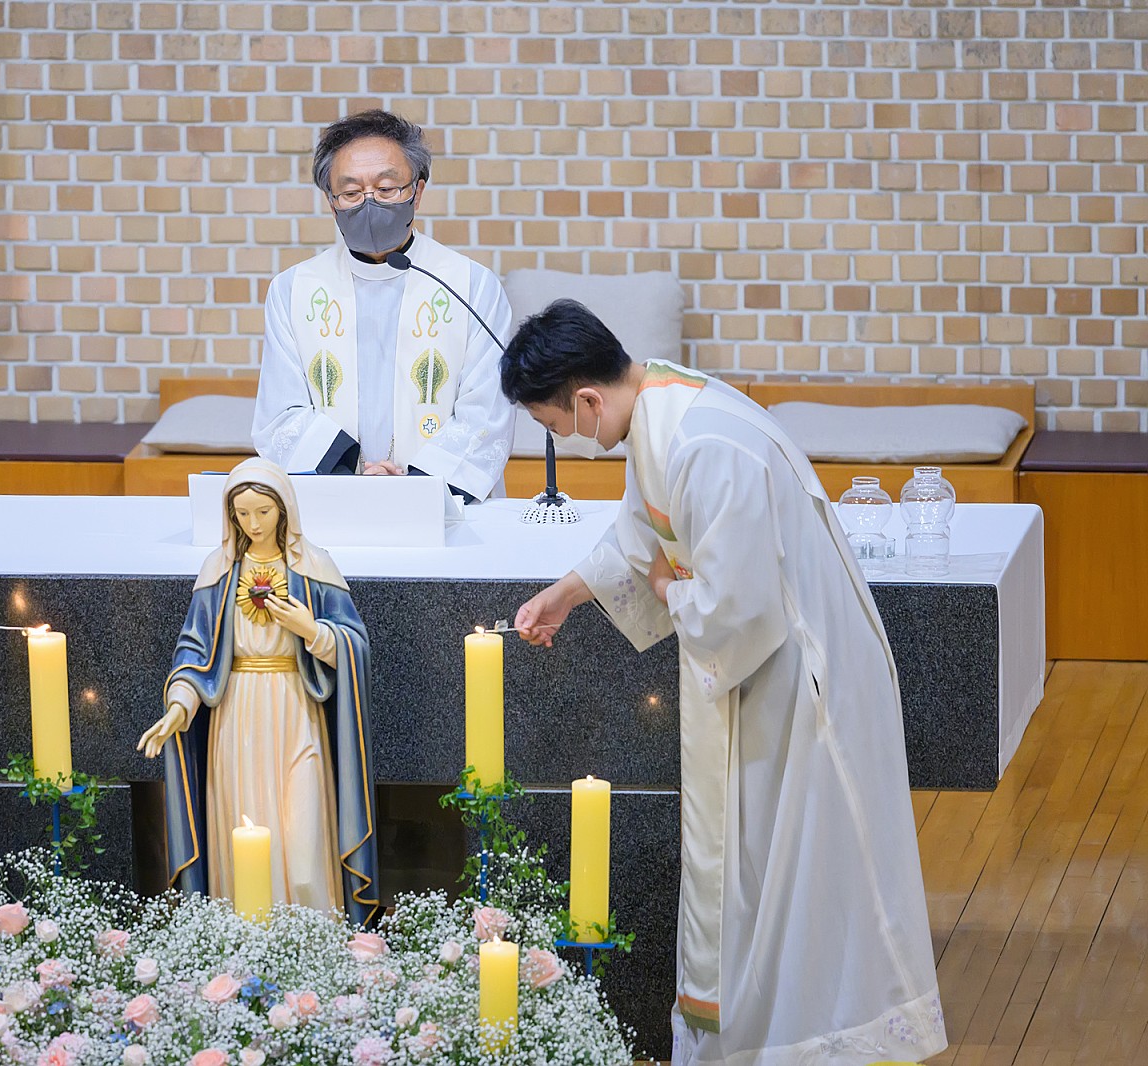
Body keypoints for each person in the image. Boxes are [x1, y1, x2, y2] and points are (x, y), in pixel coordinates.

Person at [506, 301, 947, 1065]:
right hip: (767, 678)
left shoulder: (701, 445)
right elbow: (644, 533)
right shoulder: (661, 413)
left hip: (803, 685)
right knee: (757, 882)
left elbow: (737, 609)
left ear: (587, 399)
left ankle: (809, 1043)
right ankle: (762, 1040)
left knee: (801, 880)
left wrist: (668, 589)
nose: (566, 440)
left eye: (556, 424)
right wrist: (565, 595)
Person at [136, 458, 379, 924]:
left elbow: (355, 645)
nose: (253, 524)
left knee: (304, 847)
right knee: (243, 832)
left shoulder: (314, 566)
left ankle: (314, 941)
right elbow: (194, 651)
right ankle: (247, 943)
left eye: (263, 512)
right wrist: (178, 707)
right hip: (237, 714)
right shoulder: (219, 570)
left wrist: (313, 631)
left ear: (284, 510)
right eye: (242, 514)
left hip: (296, 707)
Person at [251, 109, 514, 501]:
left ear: (417, 192)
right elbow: (280, 414)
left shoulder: (471, 286)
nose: (369, 203)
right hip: (335, 500)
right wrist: (357, 477)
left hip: (442, 507)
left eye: (387, 188)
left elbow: (486, 413)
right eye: (351, 193)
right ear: (331, 202)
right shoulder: (294, 290)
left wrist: (413, 487)